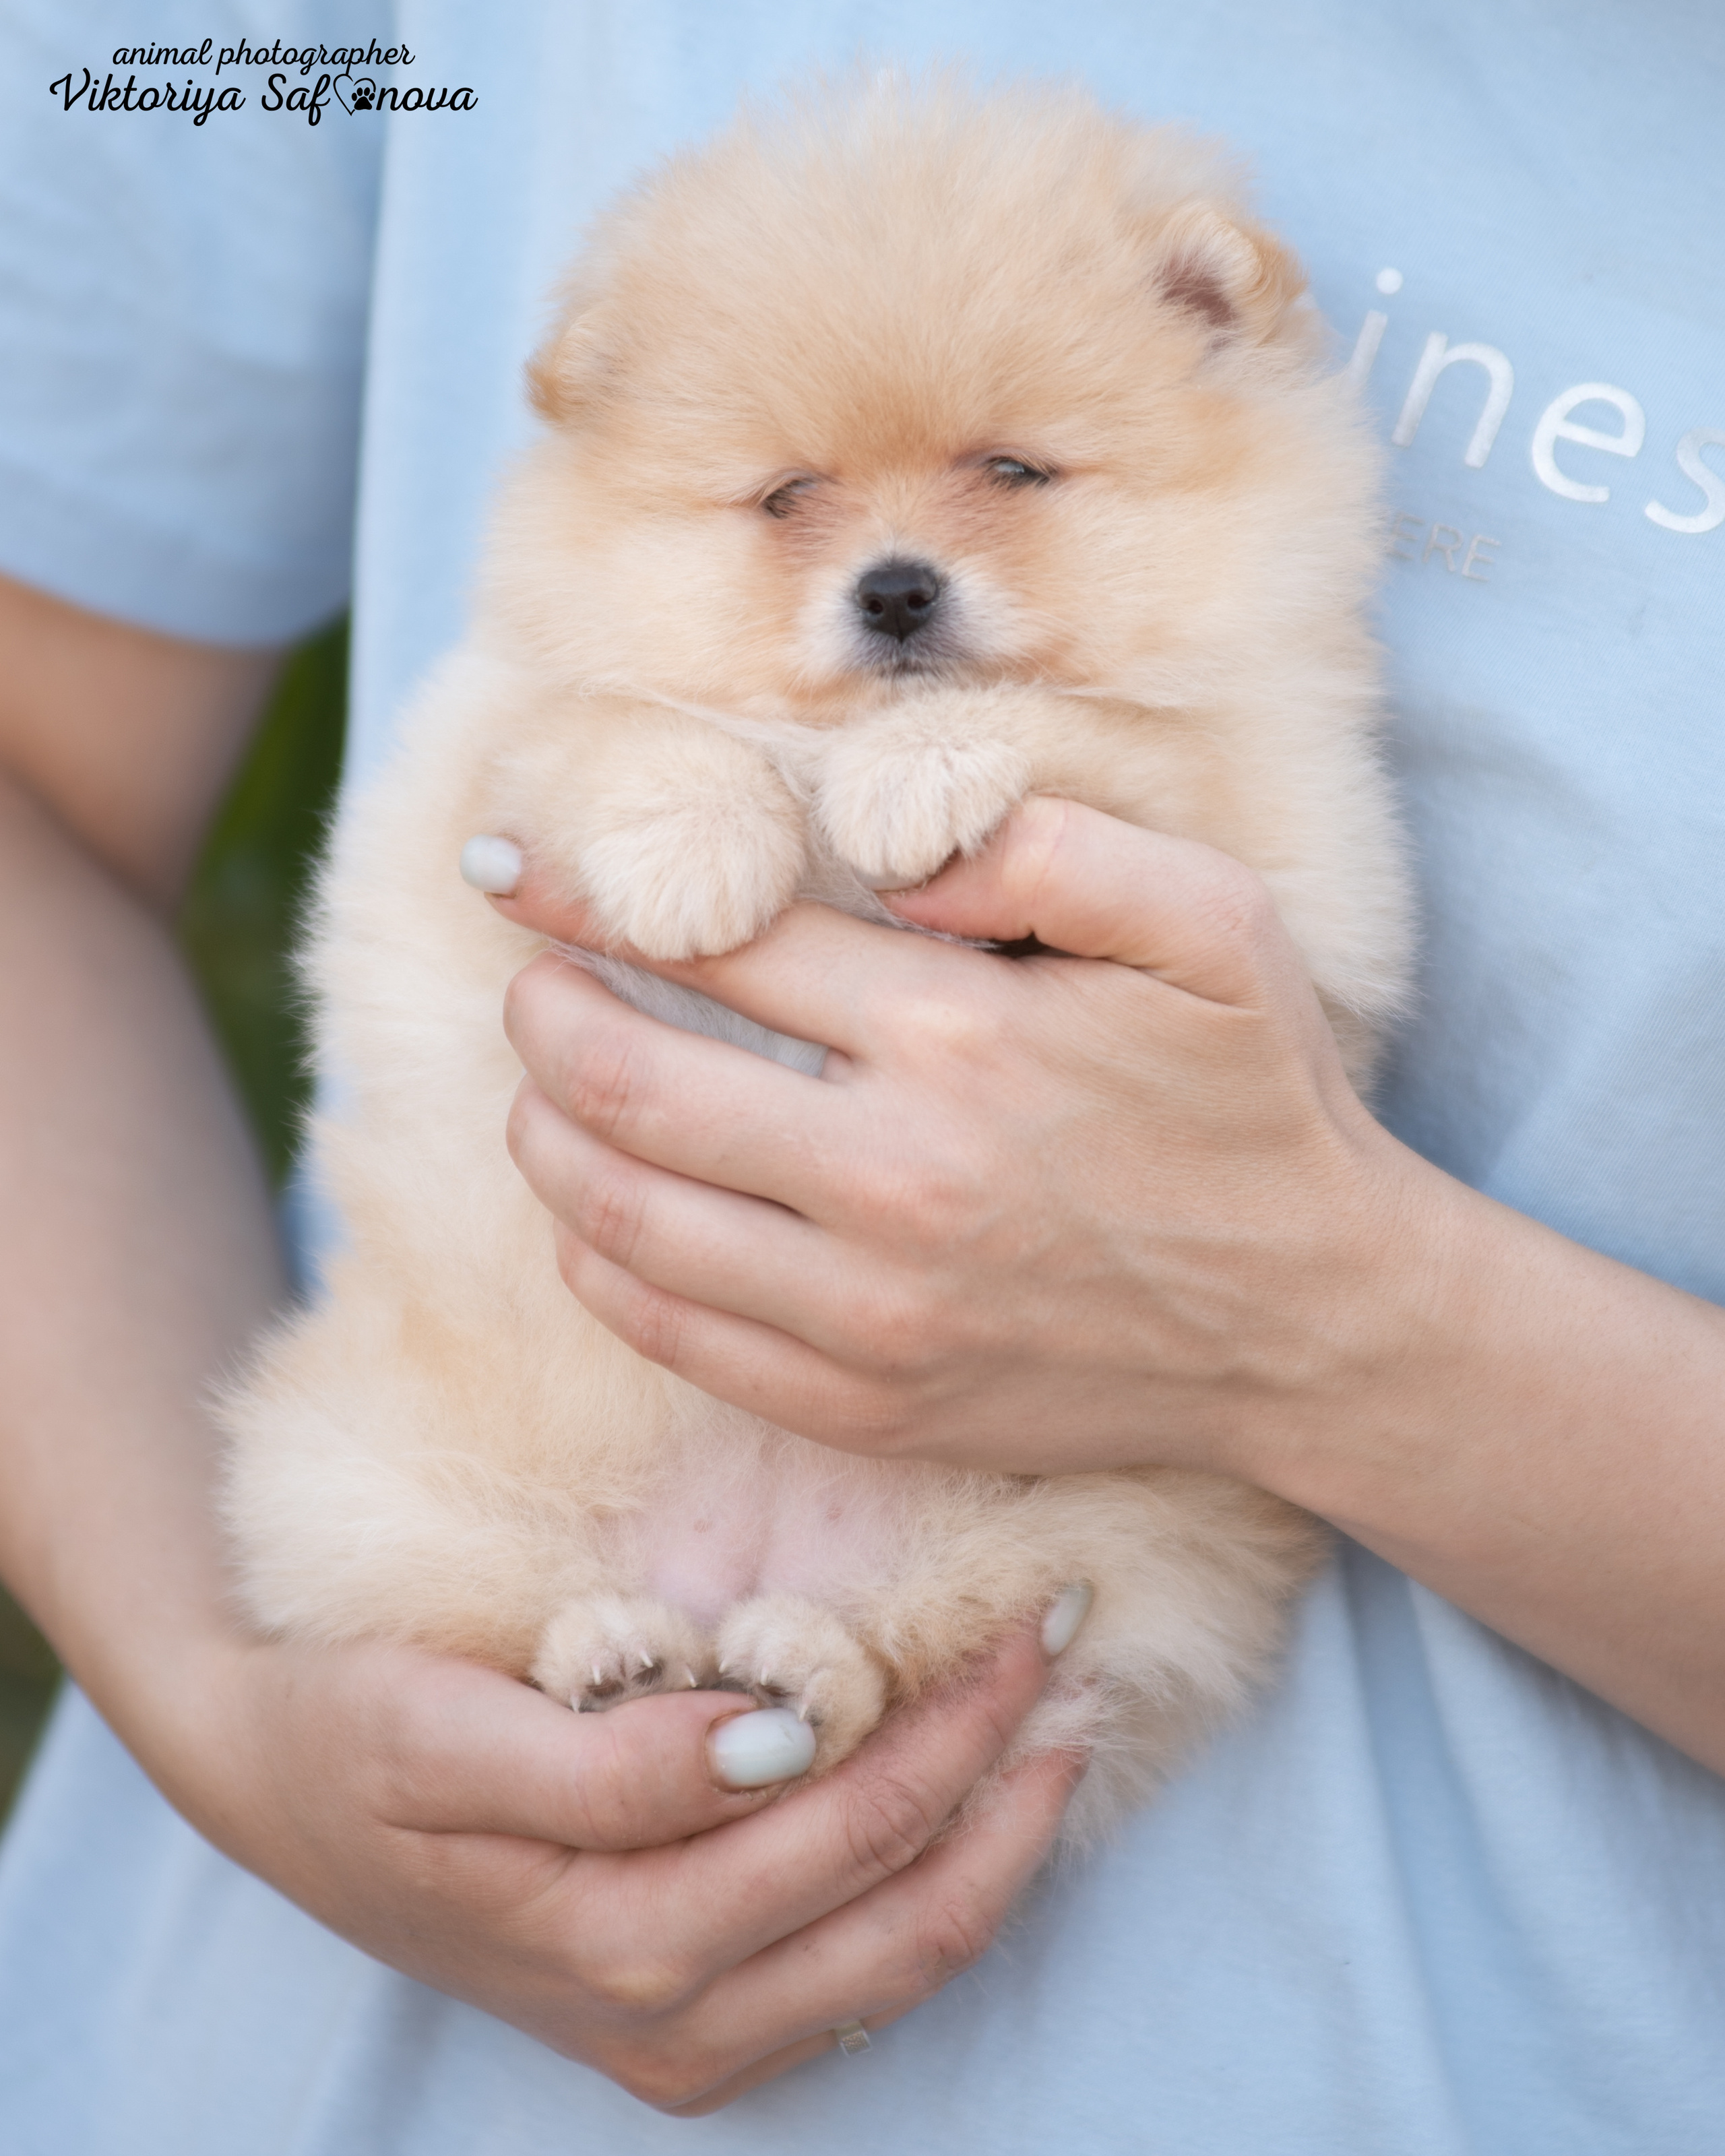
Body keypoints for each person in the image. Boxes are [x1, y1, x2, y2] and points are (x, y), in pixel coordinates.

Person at [1, 2, 1722, 2149]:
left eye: (1009, 473)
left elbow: (1315, 924)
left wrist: (1337, 1344)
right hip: (276, 2011)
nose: (899, 569)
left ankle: (824, 1670)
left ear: (1222, 358)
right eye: (789, 497)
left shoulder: (1237, 675)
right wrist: (215, 1701)